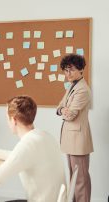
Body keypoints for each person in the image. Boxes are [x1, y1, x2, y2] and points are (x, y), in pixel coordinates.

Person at [0, 95, 66, 201]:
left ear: (14, 120)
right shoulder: (42, 135)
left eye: (7, 118)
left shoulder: (28, 144)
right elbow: (22, 157)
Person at [57, 54, 93, 202]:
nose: (68, 74)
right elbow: (59, 107)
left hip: (78, 140)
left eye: (71, 70)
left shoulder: (82, 89)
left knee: (80, 180)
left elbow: (70, 114)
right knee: (74, 177)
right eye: (65, 70)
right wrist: (62, 109)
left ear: (80, 69)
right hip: (71, 139)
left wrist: (64, 110)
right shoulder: (73, 86)